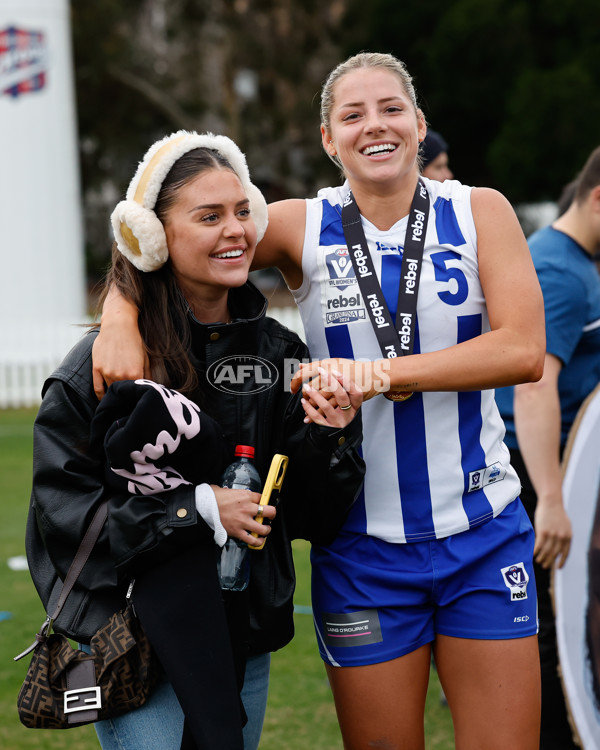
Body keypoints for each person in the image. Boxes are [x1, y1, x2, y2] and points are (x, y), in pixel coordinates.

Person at [93, 52, 546, 749]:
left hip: (483, 534)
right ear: (329, 140)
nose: (376, 125)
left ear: (419, 124)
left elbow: (521, 350)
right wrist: (121, 315)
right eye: (352, 114)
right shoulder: (301, 223)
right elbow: (181, 236)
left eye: (392, 108)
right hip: (361, 550)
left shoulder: (479, 209)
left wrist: (383, 373)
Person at [25, 131, 365, 750]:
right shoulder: (100, 363)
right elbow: (63, 515)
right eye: (208, 216)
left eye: (241, 212)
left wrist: (331, 439)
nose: (234, 230)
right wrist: (199, 508)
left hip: (245, 631)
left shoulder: (282, 354)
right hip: (135, 637)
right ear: (154, 236)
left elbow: (316, 516)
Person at [495, 145, 600, 750]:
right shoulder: (558, 270)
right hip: (540, 478)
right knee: (547, 637)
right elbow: (535, 386)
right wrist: (553, 500)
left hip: (561, 476)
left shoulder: (581, 262)